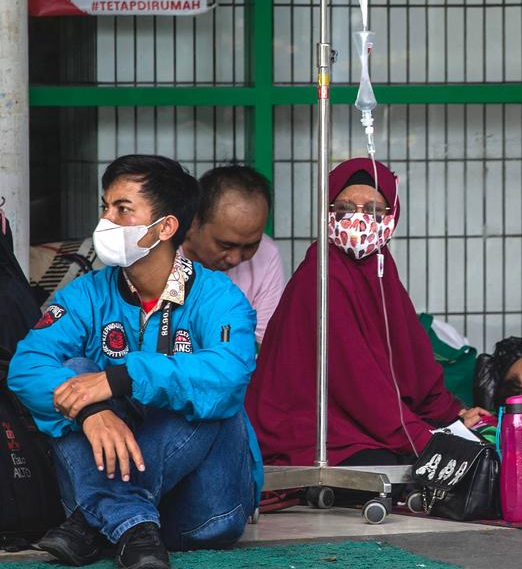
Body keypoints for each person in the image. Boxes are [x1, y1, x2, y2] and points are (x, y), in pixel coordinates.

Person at [8, 155, 261, 569]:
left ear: (165, 227)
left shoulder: (218, 297)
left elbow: (229, 374)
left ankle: (106, 516)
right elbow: (27, 365)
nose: (106, 220)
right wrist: (92, 411)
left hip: (201, 514)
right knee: (72, 374)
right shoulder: (86, 294)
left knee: (208, 393)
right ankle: (131, 522)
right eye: (105, 207)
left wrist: (124, 376)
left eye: (122, 210)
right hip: (121, 524)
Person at [245, 158, 485, 472]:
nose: (358, 221)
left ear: (392, 215)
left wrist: (453, 416)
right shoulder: (320, 275)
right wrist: (422, 437)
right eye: (344, 208)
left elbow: (414, 366)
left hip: (371, 424)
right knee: (400, 464)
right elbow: (358, 384)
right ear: (326, 212)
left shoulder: (382, 272)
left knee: (469, 448)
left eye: (373, 210)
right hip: (312, 431)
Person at [181, 165, 285, 343]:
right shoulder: (161, 252)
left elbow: (264, 342)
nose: (236, 258)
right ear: (193, 222)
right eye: (225, 245)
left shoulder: (267, 254)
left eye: (251, 246)